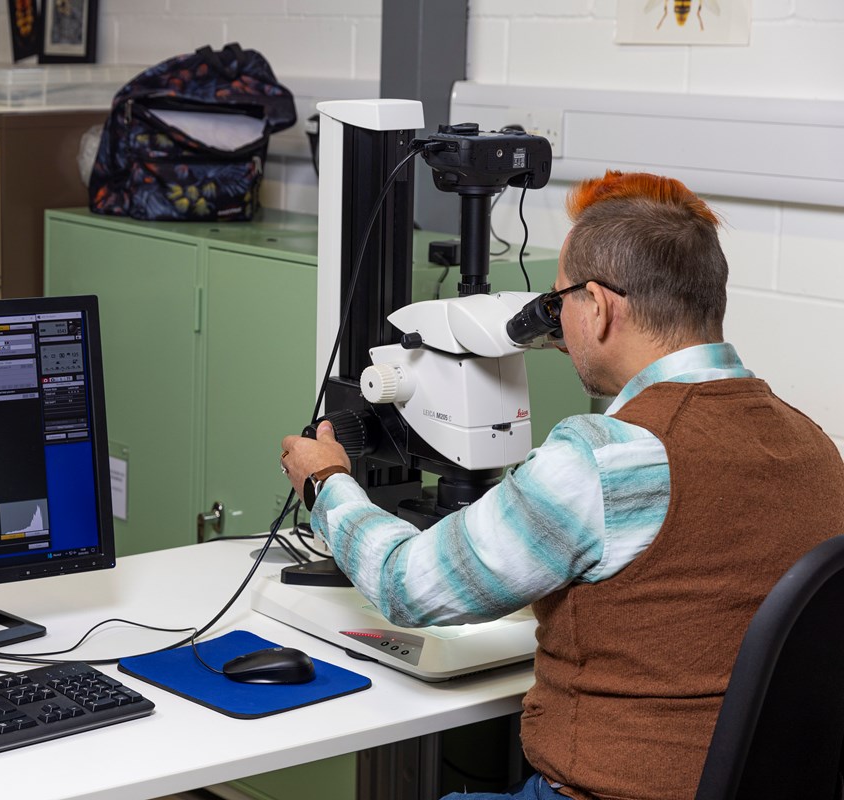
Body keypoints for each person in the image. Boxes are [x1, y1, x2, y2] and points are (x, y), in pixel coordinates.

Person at [279, 170, 844, 800]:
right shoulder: (813, 443)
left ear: (598, 307)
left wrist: (327, 481)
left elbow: (409, 586)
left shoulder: (605, 456)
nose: (556, 324)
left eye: (560, 303)